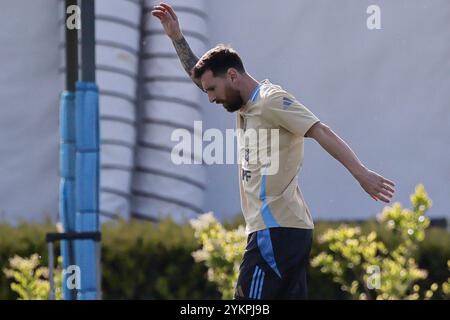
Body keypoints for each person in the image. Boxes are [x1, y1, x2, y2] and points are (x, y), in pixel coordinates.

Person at [151, 3, 396, 299]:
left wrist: (361, 173)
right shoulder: (243, 104)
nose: (211, 98)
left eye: (213, 90)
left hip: (275, 229)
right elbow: (199, 76)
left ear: (232, 75)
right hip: (282, 229)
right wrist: (177, 38)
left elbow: (319, 130)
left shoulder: (270, 100)